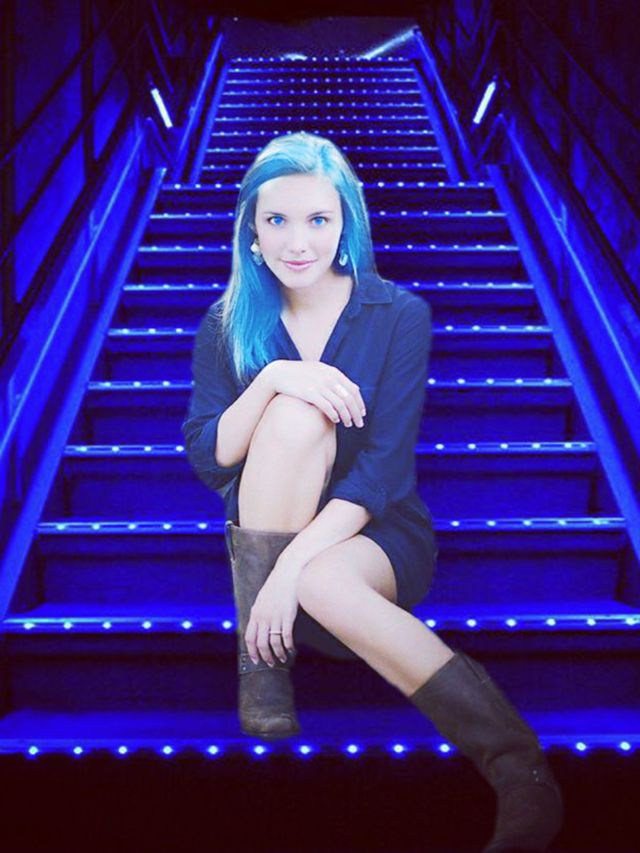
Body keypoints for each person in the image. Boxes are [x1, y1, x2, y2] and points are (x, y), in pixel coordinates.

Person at [182, 131, 563, 852]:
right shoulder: (227, 323)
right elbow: (209, 456)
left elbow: (384, 471)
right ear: (251, 232)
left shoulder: (398, 314)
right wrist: (274, 379)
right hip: (268, 532)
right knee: (293, 411)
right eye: (277, 220)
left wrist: (286, 574)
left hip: (374, 533)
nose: (298, 242)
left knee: (322, 577)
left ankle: (519, 769)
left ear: (346, 224)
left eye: (318, 219)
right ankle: (265, 669)